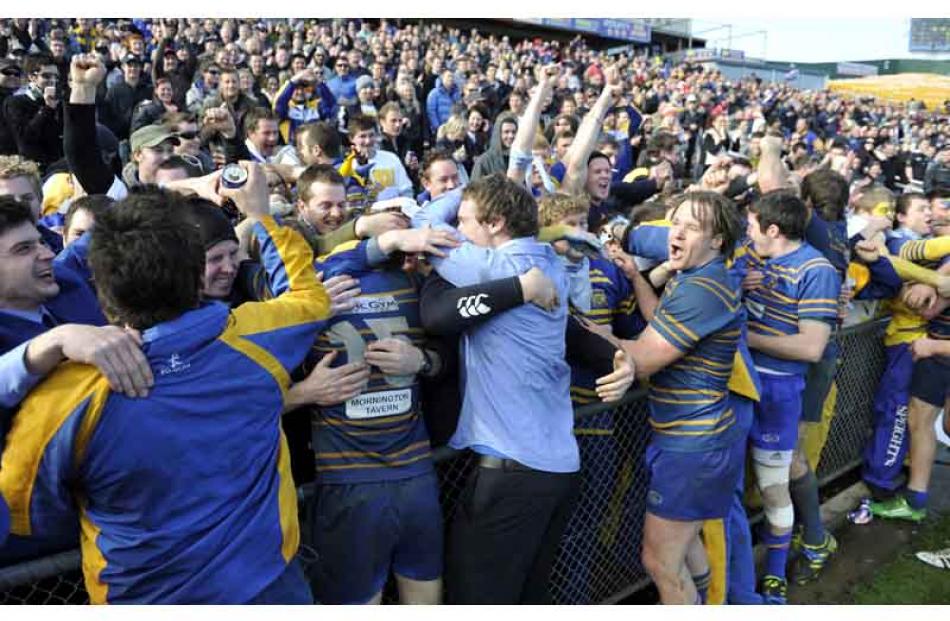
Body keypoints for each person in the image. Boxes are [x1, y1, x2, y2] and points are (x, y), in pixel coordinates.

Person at [0, 163, 330, 603]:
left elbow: (24, 510)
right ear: (197, 272)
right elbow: (308, 297)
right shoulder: (255, 337)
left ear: (100, 288)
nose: (43, 254)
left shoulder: (63, 395)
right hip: (269, 586)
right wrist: (262, 216)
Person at [411, 174, 633, 604]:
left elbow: (425, 230)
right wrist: (617, 358)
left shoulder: (492, 264)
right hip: (558, 467)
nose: (456, 228)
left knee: (477, 599)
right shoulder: (550, 261)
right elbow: (572, 332)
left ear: (494, 223)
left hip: (511, 475)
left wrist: (465, 187)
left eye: (464, 219)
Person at [606, 192, 749, 605]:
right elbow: (662, 322)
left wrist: (579, 328)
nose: (677, 233)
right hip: (693, 440)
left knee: (660, 563)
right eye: (675, 223)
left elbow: (646, 358)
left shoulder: (702, 287)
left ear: (718, 240)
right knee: (687, 548)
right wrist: (636, 276)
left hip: (692, 446)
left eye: (692, 226)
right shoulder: (695, 276)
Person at [742, 191, 840, 604]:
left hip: (778, 390)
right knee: (726, 487)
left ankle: (776, 574)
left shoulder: (816, 269)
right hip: (732, 386)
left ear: (773, 230)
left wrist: (744, 337)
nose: (747, 233)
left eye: (751, 226)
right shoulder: (749, 256)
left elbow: (811, 347)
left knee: (773, 484)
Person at [2, 53, 63, 169]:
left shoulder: (60, 101)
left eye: (56, 76)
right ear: (32, 77)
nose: (52, 80)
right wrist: (47, 108)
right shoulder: (16, 102)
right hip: (33, 168)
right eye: (46, 76)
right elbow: (25, 138)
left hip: (58, 165)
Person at [347, 114, 413, 199]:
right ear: (351, 138)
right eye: (362, 136)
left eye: (371, 135)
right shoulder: (348, 166)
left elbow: (406, 191)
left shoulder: (391, 158)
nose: (368, 141)